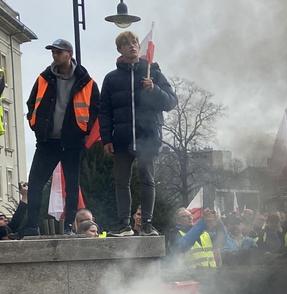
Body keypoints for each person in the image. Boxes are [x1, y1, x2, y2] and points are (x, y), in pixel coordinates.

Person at [99, 31, 177, 236]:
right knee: (121, 181)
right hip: (122, 137)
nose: (132, 46)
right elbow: (104, 111)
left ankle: (147, 224)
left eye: (134, 42)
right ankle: (124, 224)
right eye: (126, 44)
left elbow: (171, 102)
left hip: (148, 136)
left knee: (147, 179)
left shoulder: (154, 73)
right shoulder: (111, 78)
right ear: (120, 50)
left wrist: (154, 90)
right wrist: (106, 138)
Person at [23, 39, 100, 236]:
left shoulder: (87, 81)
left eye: (58, 52)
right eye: (53, 52)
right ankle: (32, 226)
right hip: (47, 142)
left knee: (72, 187)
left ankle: (68, 227)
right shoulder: (44, 78)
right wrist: (35, 124)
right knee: (35, 183)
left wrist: (83, 133)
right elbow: (32, 103)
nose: (54, 55)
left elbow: (95, 111)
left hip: (72, 143)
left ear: (69, 54)